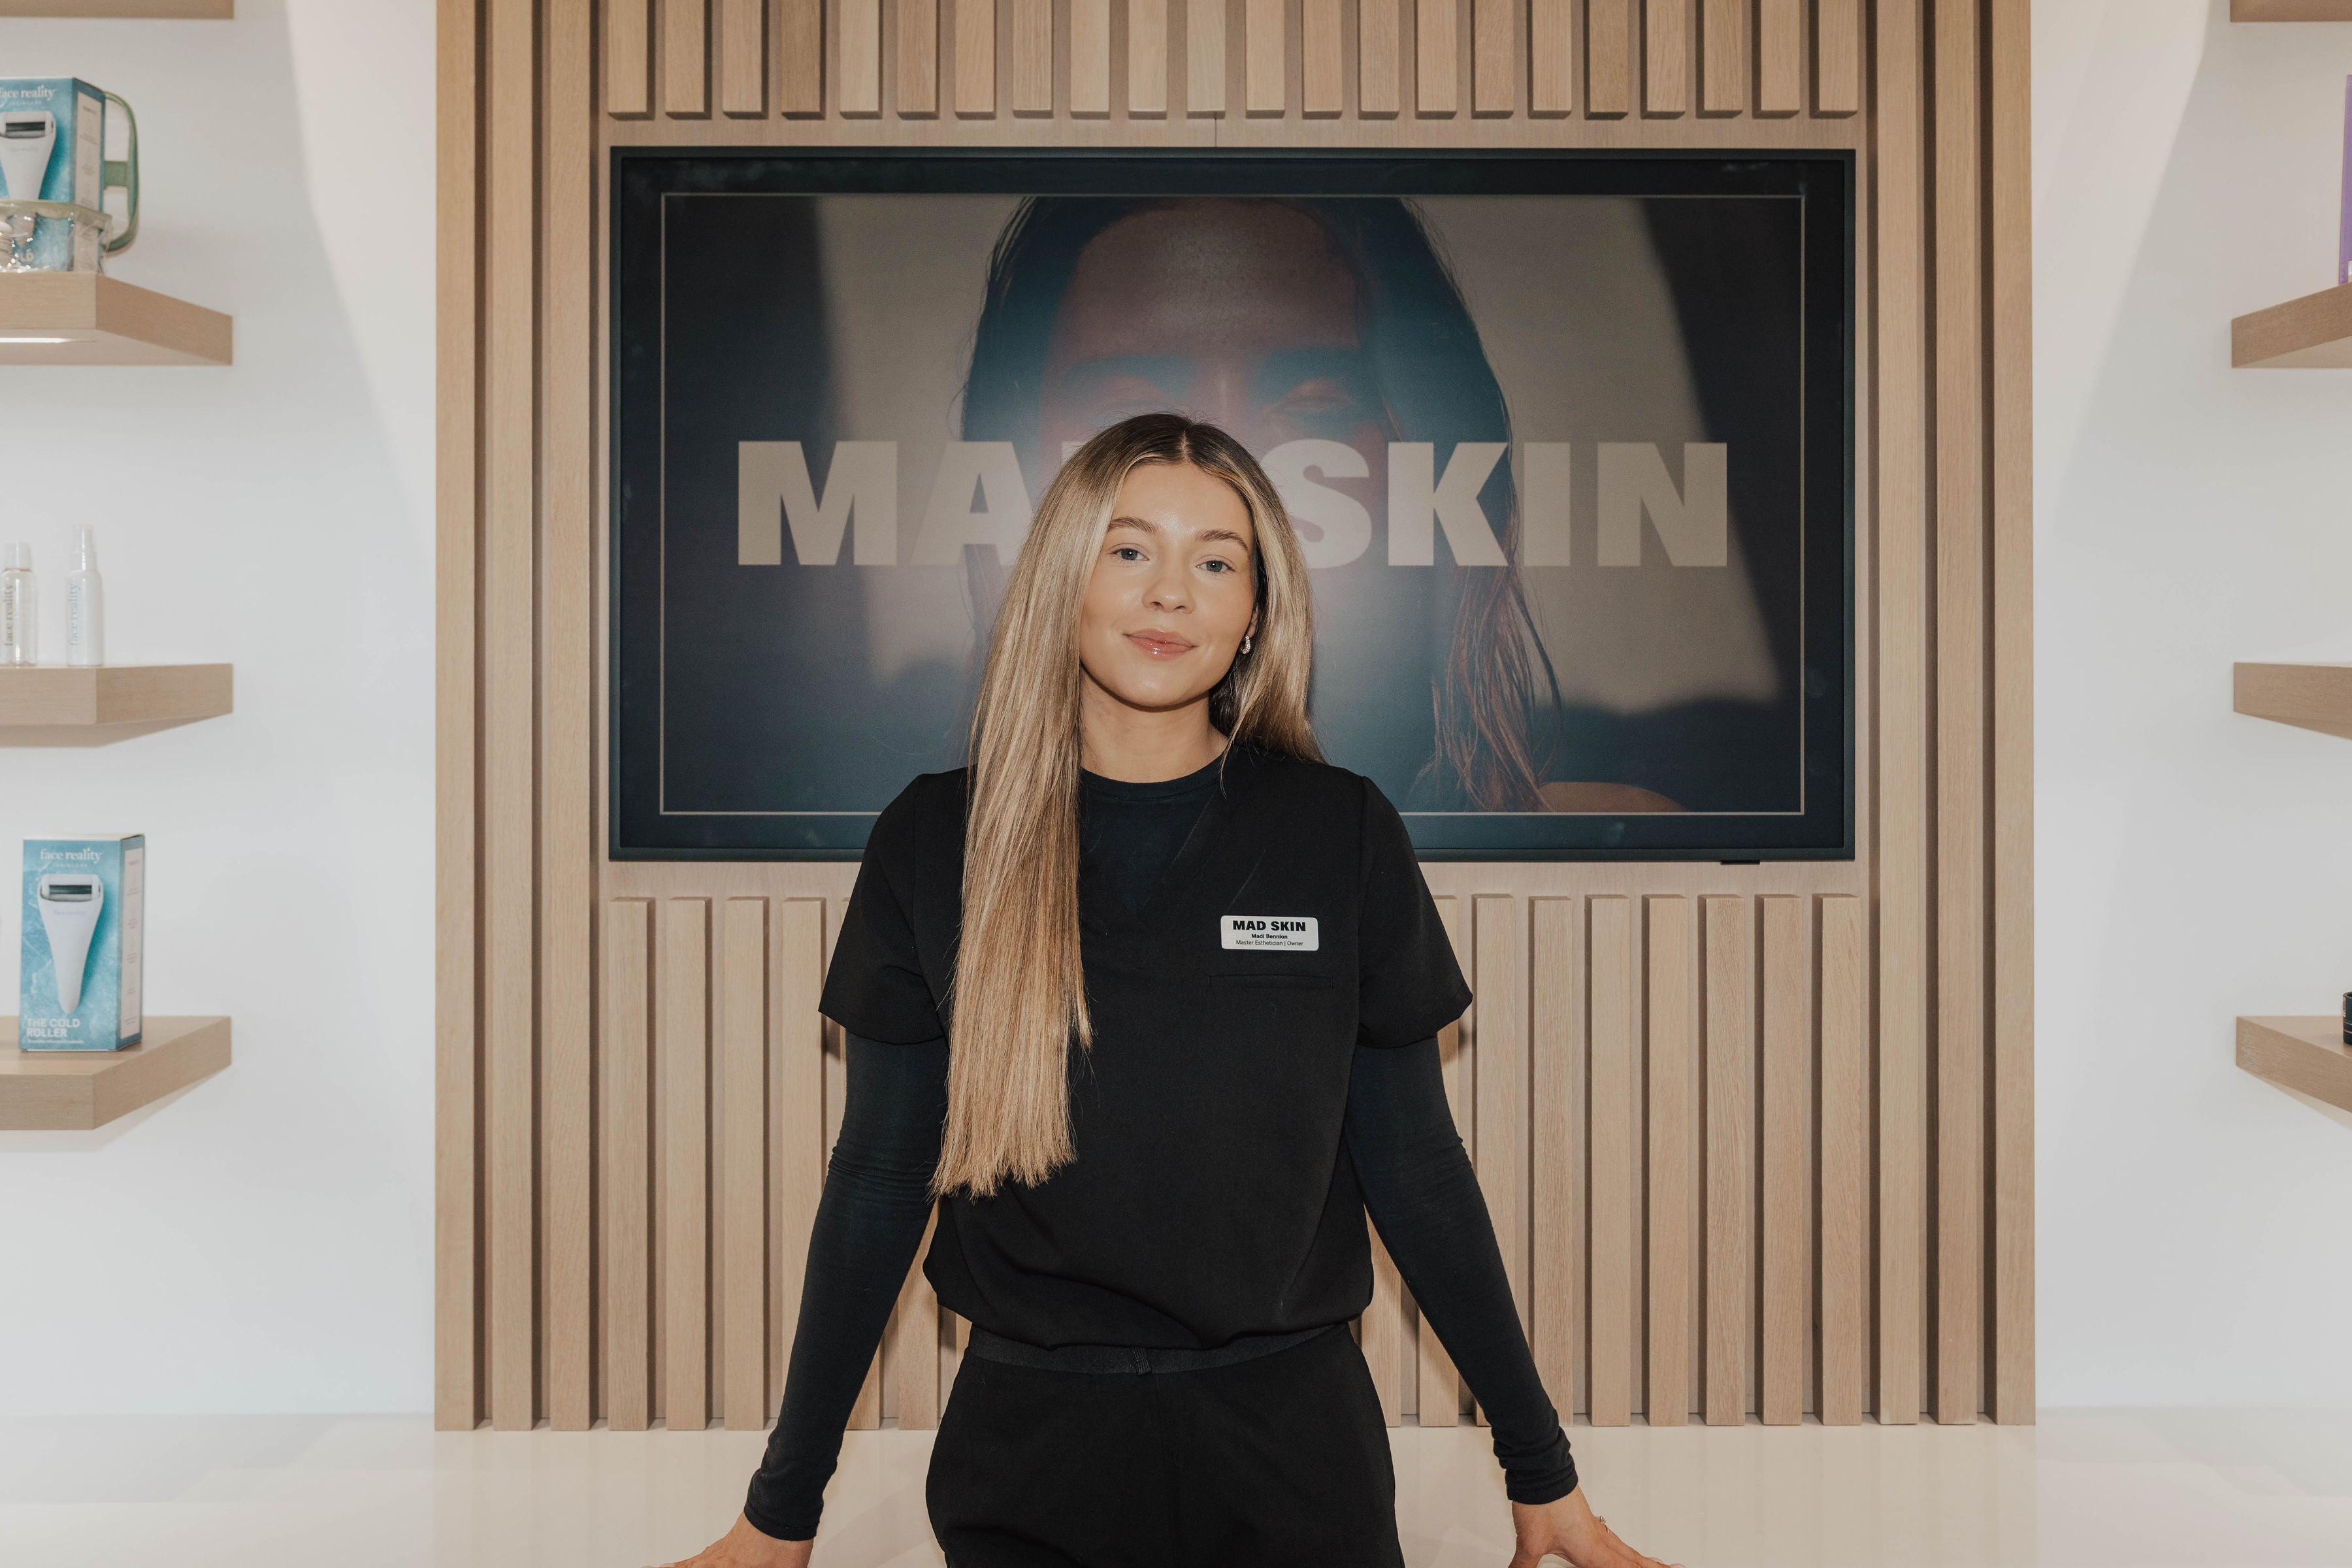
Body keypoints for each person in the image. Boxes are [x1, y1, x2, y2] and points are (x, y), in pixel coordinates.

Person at [660, 414, 1682, 1568]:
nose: (1171, 594)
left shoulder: (1339, 832)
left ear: (1255, 613)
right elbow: (878, 1183)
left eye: (1216, 562)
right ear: (1066, 578)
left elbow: (1418, 1170)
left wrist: (1543, 1476)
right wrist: (781, 1514)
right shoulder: (934, 839)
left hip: (1299, 1456)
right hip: (1030, 1456)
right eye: (1130, 549)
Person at [958, 195, 1682, 817]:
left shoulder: (1576, 837)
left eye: (1316, 409)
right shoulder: (931, 838)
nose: (1224, 475)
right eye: (1129, 415)